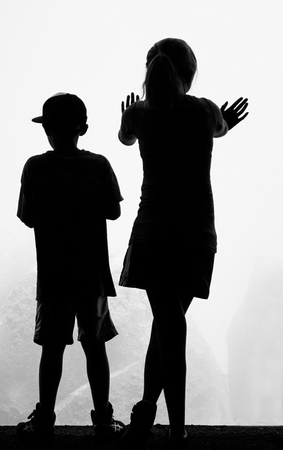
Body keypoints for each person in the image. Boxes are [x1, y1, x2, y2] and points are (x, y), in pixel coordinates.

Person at [115, 38, 249, 450]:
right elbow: (220, 128)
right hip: (195, 236)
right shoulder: (204, 110)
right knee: (170, 325)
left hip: (154, 233)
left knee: (167, 325)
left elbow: (124, 138)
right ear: (189, 75)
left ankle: (159, 418)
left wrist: (127, 116)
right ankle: (168, 424)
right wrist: (222, 121)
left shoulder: (139, 112)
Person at [16, 93, 125, 441]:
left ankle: (45, 417)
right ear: (85, 128)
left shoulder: (35, 167)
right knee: (95, 346)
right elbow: (114, 211)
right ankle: (104, 420)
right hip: (91, 274)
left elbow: (28, 217)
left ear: (46, 129)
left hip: (54, 274)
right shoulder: (99, 165)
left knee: (52, 348)